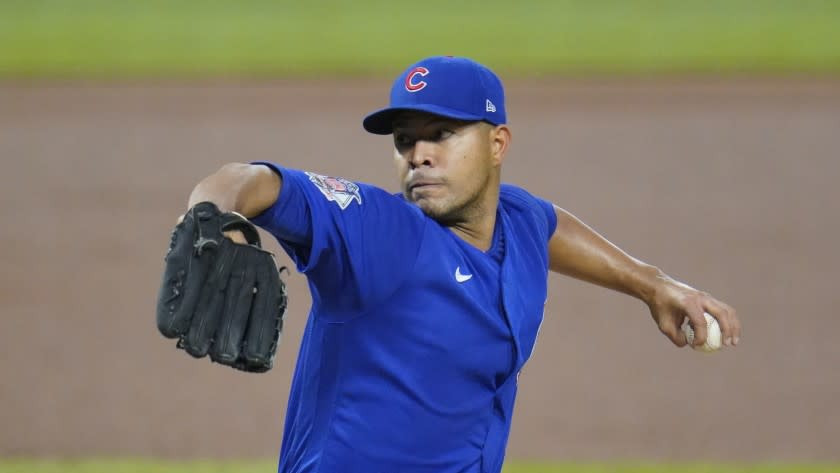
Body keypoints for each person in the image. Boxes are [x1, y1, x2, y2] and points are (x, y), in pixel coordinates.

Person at [185, 56, 741, 473]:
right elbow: (250, 179)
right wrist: (220, 218)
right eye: (406, 141)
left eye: (442, 134)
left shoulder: (515, 220)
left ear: (498, 144)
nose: (418, 154)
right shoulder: (378, 233)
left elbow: (548, 228)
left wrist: (653, 284)